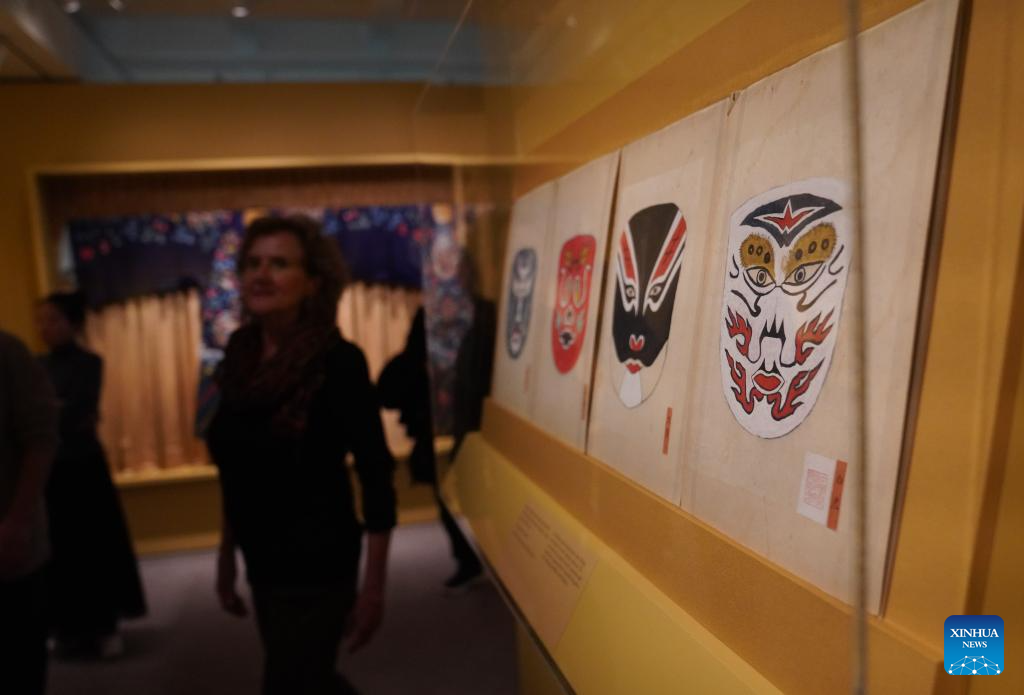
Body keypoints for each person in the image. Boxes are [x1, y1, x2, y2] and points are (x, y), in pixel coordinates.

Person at [205, 215, 396, 695]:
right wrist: (227, 555)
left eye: (279, 264)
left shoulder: (338, 361)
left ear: (313, 282)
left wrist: (374, 588)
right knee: (306, 676)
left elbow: (376, 474)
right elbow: (236, 471)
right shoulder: (239, 354)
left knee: (291, 681)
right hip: (262, 558)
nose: (261, 274)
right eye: (252, 263)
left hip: (318, 559)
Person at [36, 291, 147, 658]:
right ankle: (65, 628)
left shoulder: (89, 362)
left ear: (73, 323)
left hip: (83, 467)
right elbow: (34, 416)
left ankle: (104, 625)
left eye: (53, 319)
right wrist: (54, 410)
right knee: (59, 550)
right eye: (41, 320)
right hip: (50, 470)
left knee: (93, 546)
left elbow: (76, 413)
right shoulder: (37, 365)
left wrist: (53, 412)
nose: (45, 327)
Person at [0, 329, 59, 695]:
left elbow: (41, 438)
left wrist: (18, 522)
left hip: (10, 548)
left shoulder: (7, 353)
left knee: (17, 665)